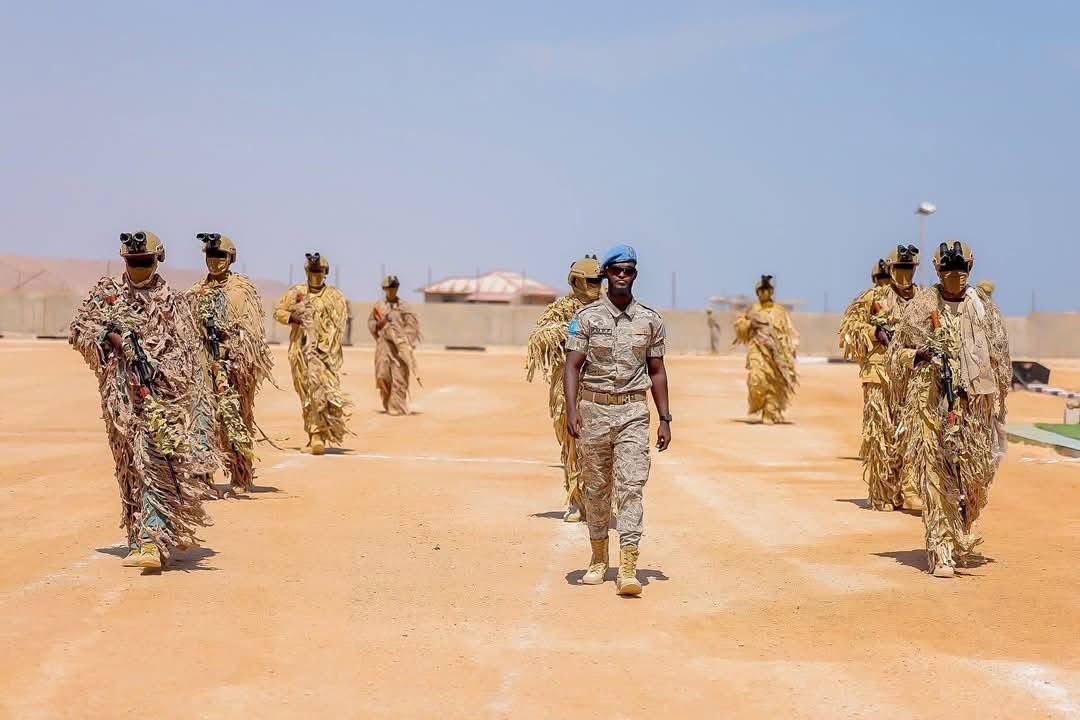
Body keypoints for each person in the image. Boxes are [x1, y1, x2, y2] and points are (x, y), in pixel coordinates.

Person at [69, 231, 210, 569]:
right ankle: (141, 536)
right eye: (132, 262)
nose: (137, 268)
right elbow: (78, 331)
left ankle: (152, 538)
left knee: (154, 461)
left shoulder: (174, 302)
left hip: (160, 398)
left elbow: (187, 352)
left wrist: (159, 371)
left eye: (144, 262)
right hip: (119, 401)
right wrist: (111, 339)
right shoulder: (108, 295)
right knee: (129, 467)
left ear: (157, 261)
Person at [889, 241, 1010, 578]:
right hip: (930, 405)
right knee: (935, 475)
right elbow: (897, 353)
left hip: (974, 408)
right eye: (947, 271)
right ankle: (940, 548)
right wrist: (921, 356)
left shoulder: (983, 308)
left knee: (974, 478)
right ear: (938, 270)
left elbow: (999, 357)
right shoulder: (922, 307)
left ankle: (960, 529)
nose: (954, 277)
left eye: (961, 271)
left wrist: (997, 400)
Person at [564, 244, 671, 596]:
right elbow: (572, 367)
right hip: (593, 412)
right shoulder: (588, 318)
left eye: (629, 270)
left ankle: (628, 567)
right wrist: (572, 409)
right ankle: (598, 558)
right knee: (596, 490)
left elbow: (657, 370)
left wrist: (665, 418)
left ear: (634, 275)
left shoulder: (650, 320)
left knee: (630, 487)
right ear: (607, 275)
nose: (623, 276)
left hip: (633, 414)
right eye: (616, 270)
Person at [187, 233, 274, 494]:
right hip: (203, 366)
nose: (215, 262)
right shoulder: (195, 292)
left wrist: (231, 349)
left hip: (234, 366)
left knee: (237, 419)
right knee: (203, 418)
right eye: (211, 256)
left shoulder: (241, 291)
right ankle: (203, 474)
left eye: (220, 256)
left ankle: (240, 475)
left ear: (231, 258)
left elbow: (252, 332)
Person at [839, 246, 922, 511]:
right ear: (890, 269)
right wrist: (875, 332)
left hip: (912, 375)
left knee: (912, 433)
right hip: (879, 373)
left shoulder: (924, 299)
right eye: (899, 268)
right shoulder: (873, 297)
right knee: (880, 432)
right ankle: (882, 492)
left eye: (908, 269)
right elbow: (849, 327)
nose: (904, 275)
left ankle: (910, 490)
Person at [526, 255, 602, 522]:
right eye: (592, 281)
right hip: (568, 391)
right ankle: (576, 500)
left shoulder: (609, 310)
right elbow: (539, 336)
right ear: (576, 281)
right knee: (572, 445)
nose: (597, 286)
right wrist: (569, 332)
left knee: (601, 449)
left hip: (602, 388)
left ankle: (598, 499)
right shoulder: (561, 309)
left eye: (599, 280)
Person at [273, 252, 350, 454]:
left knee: (321, 393)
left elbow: (339, 323)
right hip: (300, 353)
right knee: (306, 392)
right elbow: (278, 311)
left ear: (326, 272)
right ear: (307, 271)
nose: (316, 274)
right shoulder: (297, 292)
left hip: (323, 354)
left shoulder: (335, 297)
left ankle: (318, 435)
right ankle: (314, 435)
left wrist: (325, 342)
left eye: (320, 271)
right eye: (313, 271)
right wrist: (294, 317)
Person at [733, 275, 799, 424]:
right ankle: (757, 404)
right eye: (761, 290)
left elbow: (789, 330)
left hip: (776, 353)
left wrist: (791, 347)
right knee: (757, 378)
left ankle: (769, 412)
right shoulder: (753, 310)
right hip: (758, 349)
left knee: (774, 383)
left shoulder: (779, 311)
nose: (764, 293)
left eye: (767, 290)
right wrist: (749, 324)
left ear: (771, 292)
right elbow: (740, 325)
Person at [368, 275, 421, 416]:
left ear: (397, 288)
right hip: (384, 347)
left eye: (393, 288)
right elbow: (372, 324)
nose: (390, 291)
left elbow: (412, 326)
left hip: (399, 348)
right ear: (384, 289)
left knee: (399, 378)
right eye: (387, 289)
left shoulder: (404, 307)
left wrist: (404, 341)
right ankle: (387, 401)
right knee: (382, 375)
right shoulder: (378, 306)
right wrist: (380, 325)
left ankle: (396, 406)